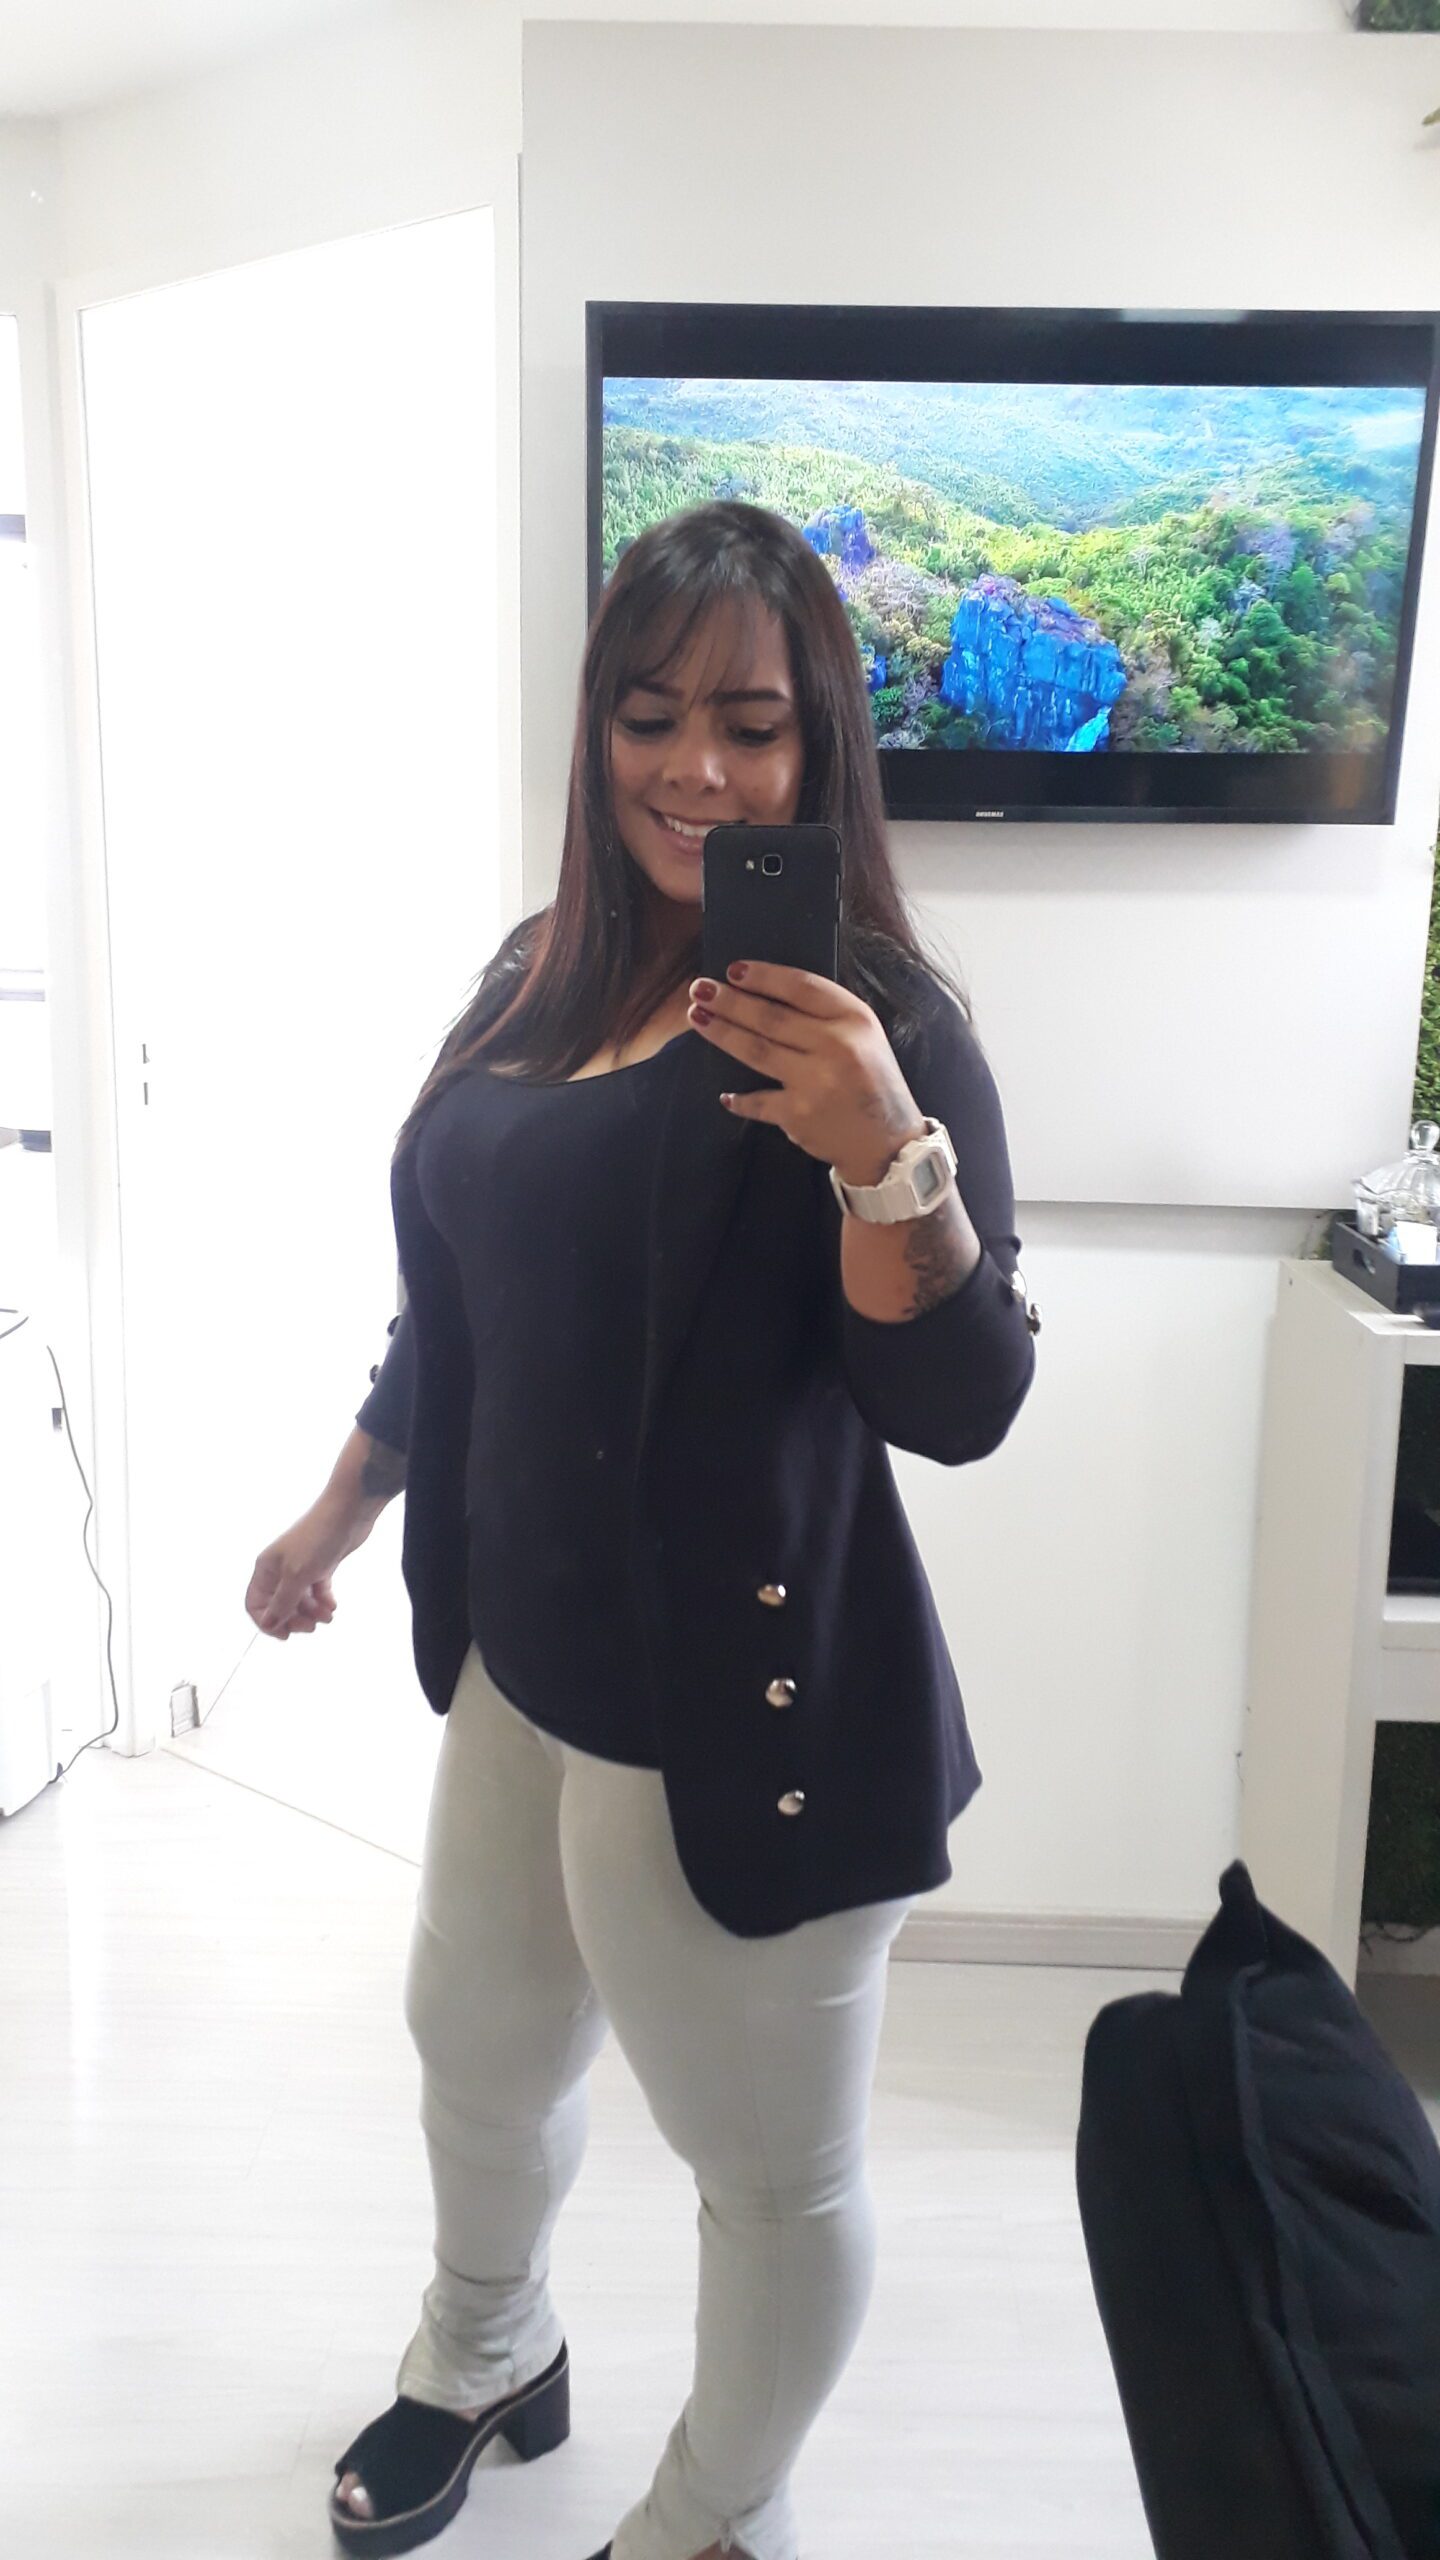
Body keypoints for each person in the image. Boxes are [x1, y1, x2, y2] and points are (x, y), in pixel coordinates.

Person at [245, 500, 1038, 2560]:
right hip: (525, 1654)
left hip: (751, 1695)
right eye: (650, 714)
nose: (697, 768)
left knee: (769, 2176)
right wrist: (341, 1504)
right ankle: (485, 2350)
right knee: (475, 2051)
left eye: (752, 727)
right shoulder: (536, 971)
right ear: (596, 728)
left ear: (819, 744)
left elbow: (961, 1402)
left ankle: (713, 2515)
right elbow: (468, 1306)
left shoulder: (881, 1029)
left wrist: (887, 1158)